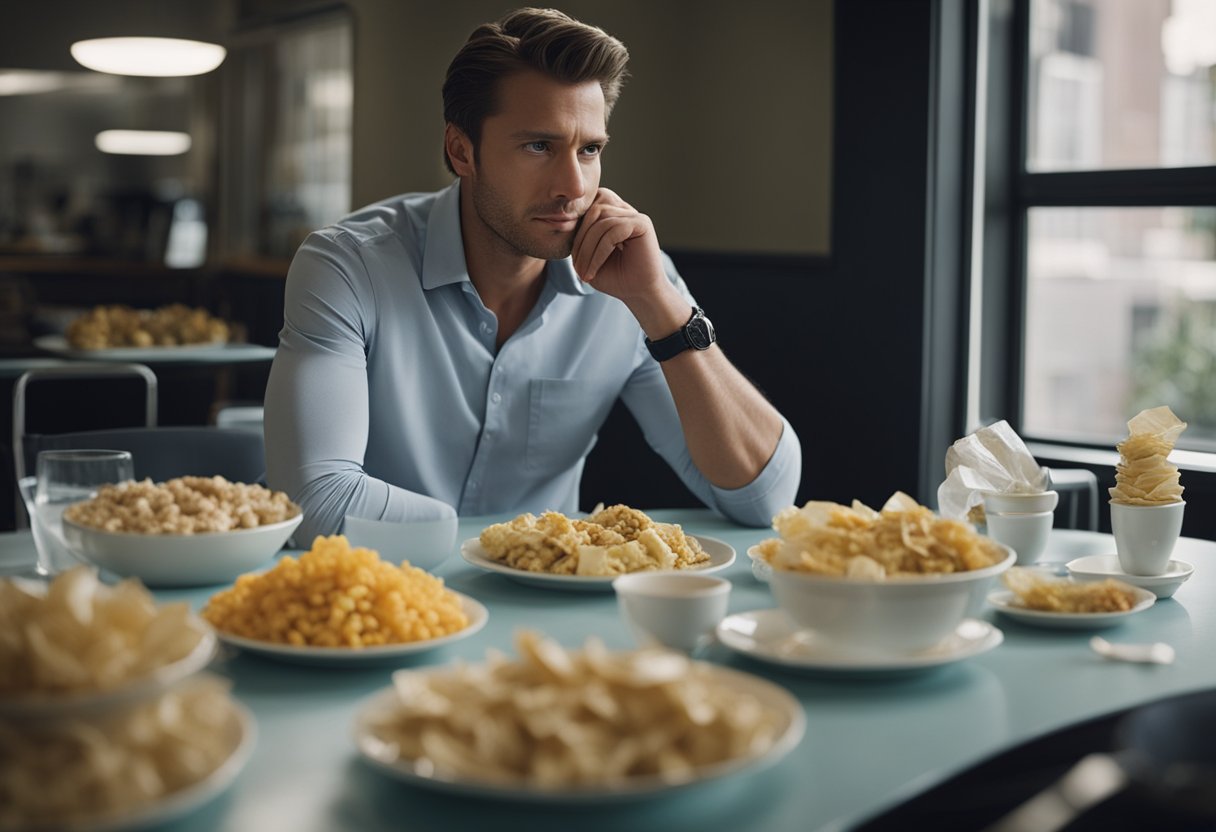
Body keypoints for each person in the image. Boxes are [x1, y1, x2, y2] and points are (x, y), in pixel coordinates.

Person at [264, 7, 801, 543]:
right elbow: (317, 501)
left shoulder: (632, 282)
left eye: (589, 149)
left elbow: (764, 497)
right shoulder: (348, 266)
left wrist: (661, 306)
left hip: (546, 618)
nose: (573, 186)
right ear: (460, 150)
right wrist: (508, 545)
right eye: (539, 146)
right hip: (377, 612)